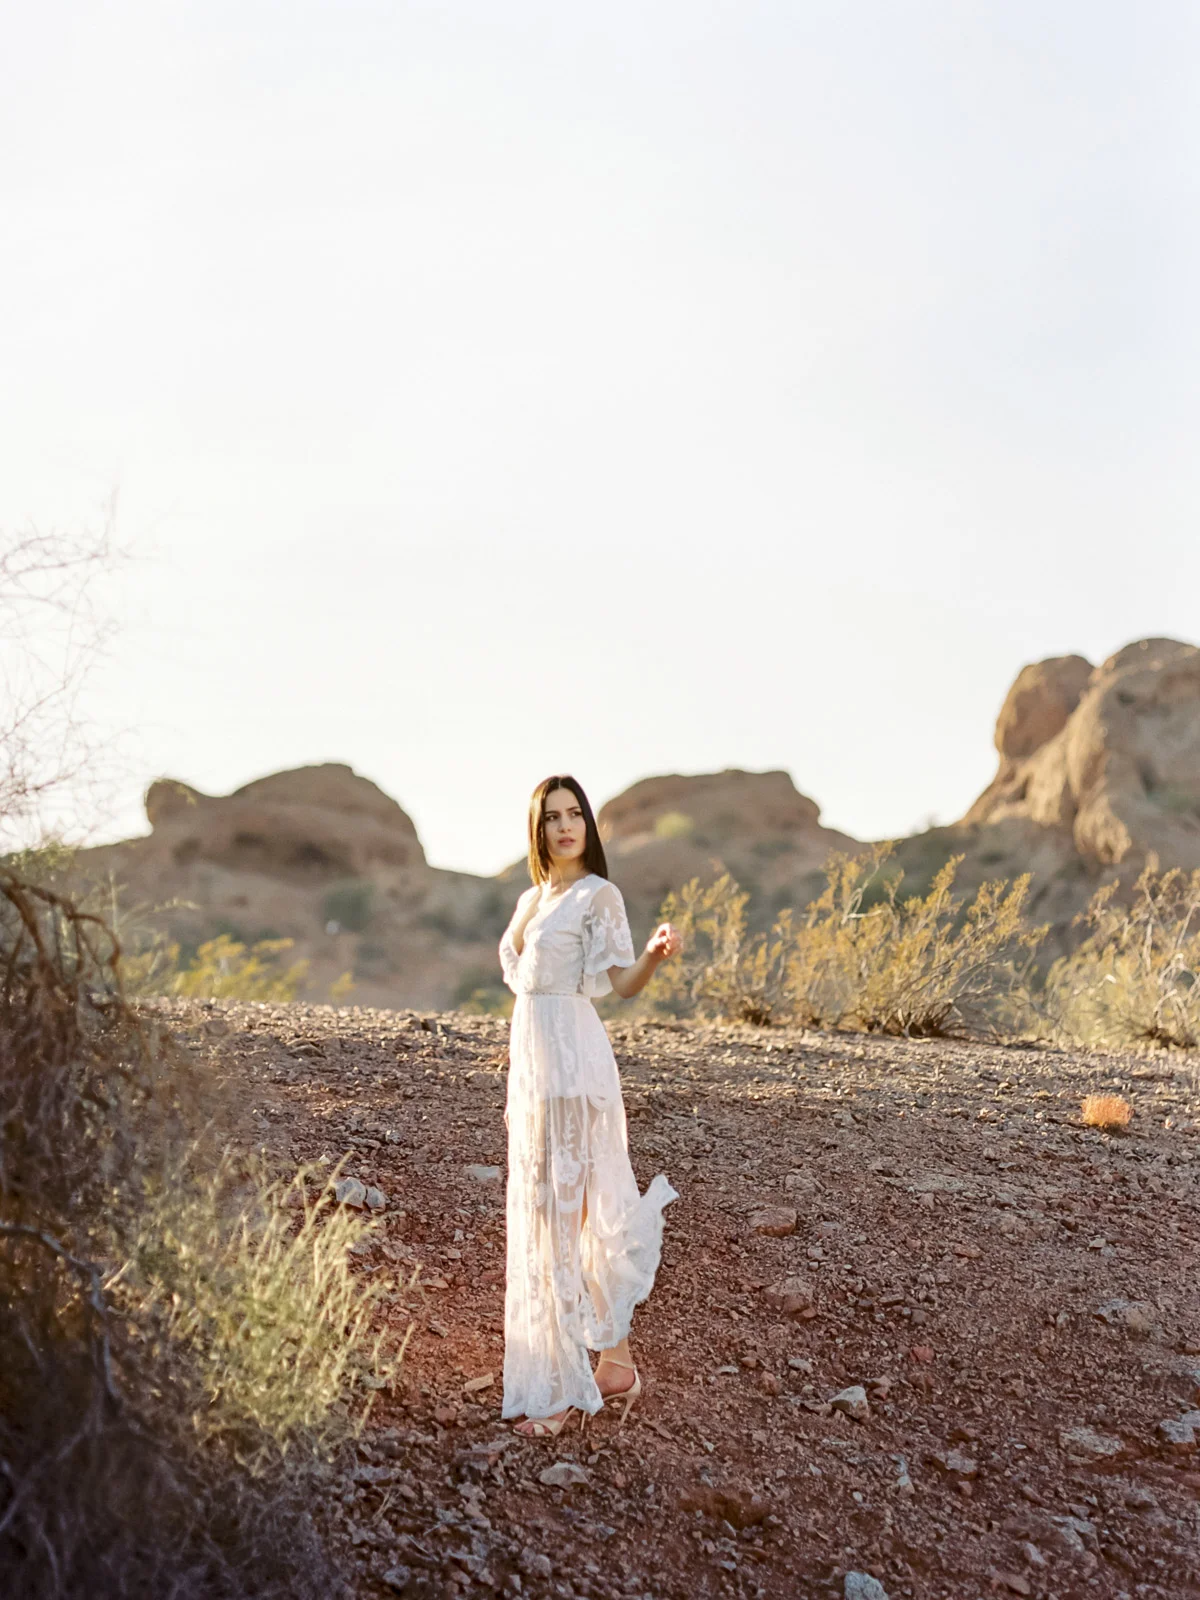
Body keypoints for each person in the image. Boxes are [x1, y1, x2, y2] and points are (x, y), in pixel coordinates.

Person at [497, 774, 682, 1437]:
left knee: (561, 1217)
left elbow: (620, 984)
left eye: (575, 814)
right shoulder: (532, 898)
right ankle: (617, 1365)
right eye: (553, 817)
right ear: (538, 828)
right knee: (551, 1215)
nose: (566, 826)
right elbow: (523, 979)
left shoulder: (599, 894)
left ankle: (556, 1391)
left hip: (574, 1064)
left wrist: (653, 956)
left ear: (588, 824)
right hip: (535, 1068)